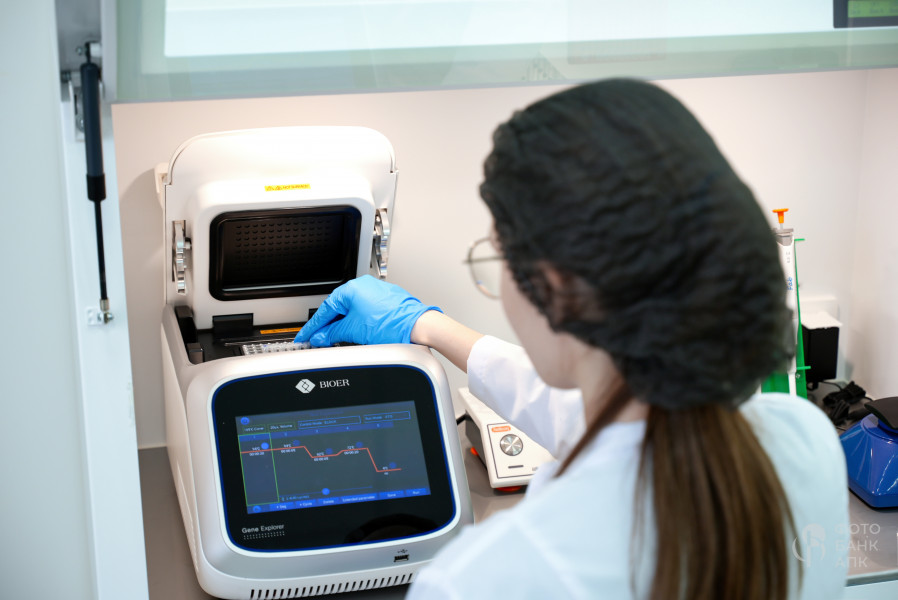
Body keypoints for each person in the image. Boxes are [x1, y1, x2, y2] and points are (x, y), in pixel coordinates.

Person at [295, 79, 849, 599]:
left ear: (556, 289)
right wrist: (427, 326)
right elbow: (600, 410)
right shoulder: (804, 442)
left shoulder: (483, 581)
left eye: (499, 256)